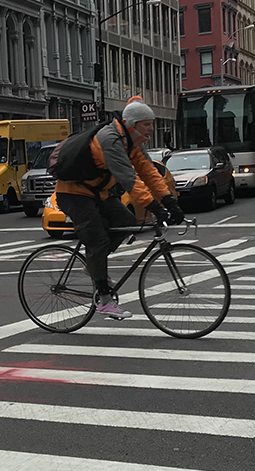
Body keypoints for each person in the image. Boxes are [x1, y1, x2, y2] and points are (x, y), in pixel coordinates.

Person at [56, 100, 184, 320]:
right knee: (98, 241)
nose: (151, 129)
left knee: (126, 220)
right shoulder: (111, 139)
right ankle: (105, 300)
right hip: (73, 193)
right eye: (147, 125)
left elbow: (149, 172)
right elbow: (128, 178)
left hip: (98, 192)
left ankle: (94, 265)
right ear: (133, 124)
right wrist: (153, 206)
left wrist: (169, 201)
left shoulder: (133, 142)